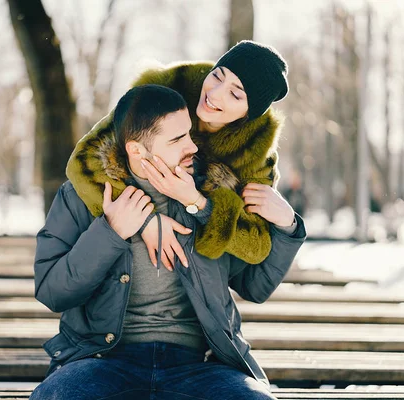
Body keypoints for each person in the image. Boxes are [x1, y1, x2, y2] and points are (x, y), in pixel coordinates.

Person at [31, 84, 306, 400]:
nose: (193, 147)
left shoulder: (212, 193)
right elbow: (52, 291)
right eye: (177, 140)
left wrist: (288, 226)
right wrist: (110, 231)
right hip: (101, 362)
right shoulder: (82, 196)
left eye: (189, 133)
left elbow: (254, 286)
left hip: (200, 367)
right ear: (137, 150)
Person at [66, 40, 292, 271]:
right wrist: (144, 221)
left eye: (234, 94)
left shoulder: (255, 154)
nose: (214, 94)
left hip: (196, 277)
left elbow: (256, 245)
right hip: (121, 263)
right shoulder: (161, 92)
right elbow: (84, 161)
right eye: (217, 76)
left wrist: (196, 202)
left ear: (249, 114)